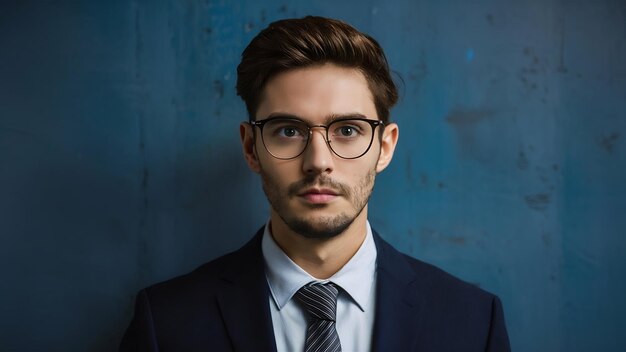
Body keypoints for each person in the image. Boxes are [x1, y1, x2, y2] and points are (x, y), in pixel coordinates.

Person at [120, 16, 511, 352]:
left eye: (347, 130)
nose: (318, 162)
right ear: (251, 147)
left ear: (385, 147)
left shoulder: (472, 323)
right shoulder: (166, 323)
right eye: (288, 130)